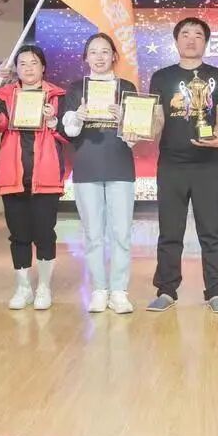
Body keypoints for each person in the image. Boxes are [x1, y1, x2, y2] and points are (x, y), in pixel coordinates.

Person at [146, 17, 218, 313]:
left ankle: (216, 292)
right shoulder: (161, 77)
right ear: (176, 40)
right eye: (185, 34)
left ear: (205, 42)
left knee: (212, 232)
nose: (191, 39)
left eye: (198, 35)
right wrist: (141, 129)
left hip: (208, 166)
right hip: (171, 165)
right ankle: (166, 290)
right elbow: (158, 120)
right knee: (170, 232)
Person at [0, 44, 70, 311]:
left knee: (45, 234)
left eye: (34, 63)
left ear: (43, 67)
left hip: (46, 176)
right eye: (22, 63)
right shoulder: (4, 94)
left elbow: (69, 134)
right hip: (13, 175)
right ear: (16, 69)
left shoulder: (58, 96)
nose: (28, 68)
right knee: (19, 234)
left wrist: (54, 121)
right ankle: (23, 288)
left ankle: (44, 287)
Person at [61, 33, 139, 314]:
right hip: (87, 166)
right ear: (85, 58)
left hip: (120, 166)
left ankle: (119, 291)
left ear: (114, 56)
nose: (99, 57)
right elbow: (69, 132)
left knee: (121, 233)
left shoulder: (126, 87)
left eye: (105, 51)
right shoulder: (75, 89)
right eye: (93, 52)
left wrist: (125, 119)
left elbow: (135, 135)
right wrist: (78, 117)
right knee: (93, 234)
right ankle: (98, 290)